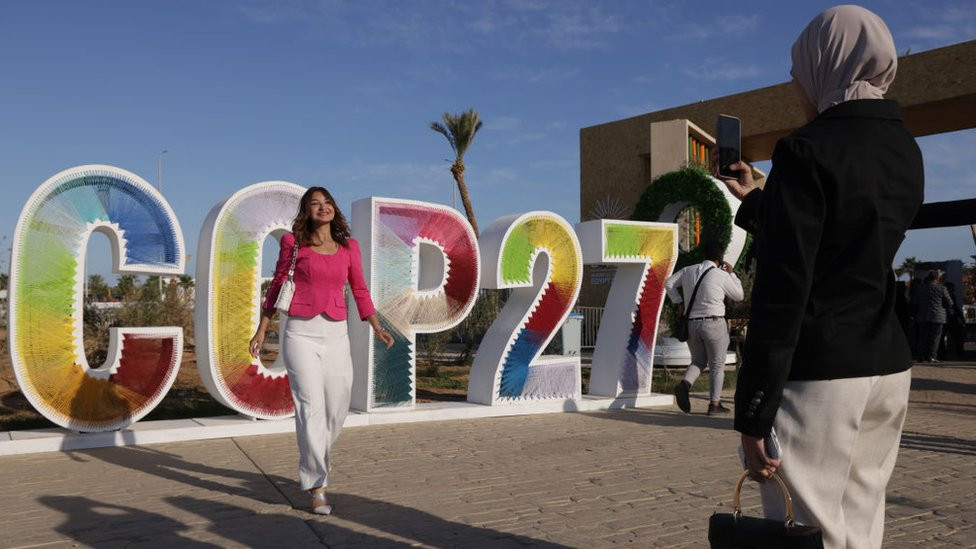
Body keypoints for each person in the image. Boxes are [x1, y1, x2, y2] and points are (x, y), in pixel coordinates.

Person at [718, 6, 924, 548]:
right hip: (887, 366)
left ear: (827, 63)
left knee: (812, 533)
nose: (793, 82)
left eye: (798, 68)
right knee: (861, 526)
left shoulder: (806, 149)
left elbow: (785, 287)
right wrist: (762, 199)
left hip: (821, 376)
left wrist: (754, 411)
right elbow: (845, 233)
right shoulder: (905, 148)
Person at [249, 187, 394, 515]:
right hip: (300, 334)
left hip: (336, 334)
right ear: (306, 211)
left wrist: (376, 324)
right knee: (309, 407)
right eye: (315, 204)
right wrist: (262, 328)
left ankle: (312, 456)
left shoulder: (348, 247)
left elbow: (359, 287)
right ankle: (318, 486)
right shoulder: (293, 243)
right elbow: (277, 286)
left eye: (327, 202)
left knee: (337, 407)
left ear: (334, 209)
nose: (322, 207)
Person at [664, 240, 744, 415]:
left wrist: (679, 302)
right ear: (721, 258)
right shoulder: (720, 275)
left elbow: (668, 283)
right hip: (714, 323)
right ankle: (714, 404)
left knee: (698, 361)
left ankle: (684, 384)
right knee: (717, 364)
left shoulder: (688, 271)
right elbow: (739, 295)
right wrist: (732, 274)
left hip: (692, 323)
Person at [914, 271, 954, 362]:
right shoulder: (942, 288)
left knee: (922, 337)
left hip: (923, 316)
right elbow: (950, 302)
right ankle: (932, 356)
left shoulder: (920, 288)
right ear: (937, 278)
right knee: (935, 338)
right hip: (938, 316)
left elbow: (915, 302)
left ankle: (921, 356)